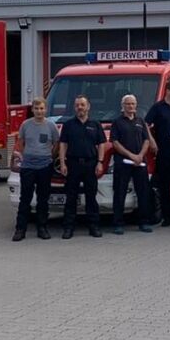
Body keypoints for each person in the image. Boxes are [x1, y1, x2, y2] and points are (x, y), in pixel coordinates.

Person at [58, 95, 108, 239]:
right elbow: (63, 145)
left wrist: (100, 162)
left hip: (90, 164)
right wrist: (62, 163)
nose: (80, 107)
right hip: (73, 164)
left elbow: (101, 144)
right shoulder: (68, 125)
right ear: (75, 107)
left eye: (82, 105)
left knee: (91, 197)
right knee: (71, 197)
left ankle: (94, 226)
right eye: (77, 105)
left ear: (88, 107)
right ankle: (68, 228)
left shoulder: (95, 124)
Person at [13, 97, 59, 241]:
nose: (39, 111)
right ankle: (20, 230)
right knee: (25, 199)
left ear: (46, 110)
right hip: (28, 167)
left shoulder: (51, 126)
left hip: (45, 166)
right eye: (36, 108)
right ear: (32, 110)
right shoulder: (25, 125)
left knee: (43, 199)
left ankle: (42, 228)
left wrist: (50, 156)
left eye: (42, 108)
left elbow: (56, 143)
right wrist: (19, 155)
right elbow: (20, 142)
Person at [110, 94, 154, 235]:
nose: (131, 106)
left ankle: (144, 222)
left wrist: (140, 155)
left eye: (133, 104)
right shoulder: (117, 123)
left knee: (143, 193)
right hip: (123, 163)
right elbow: (115, 143)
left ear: (136, 105)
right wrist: (131, 156)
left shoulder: (140, 121)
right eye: (128, 104)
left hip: (140, 162)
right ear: (122, 106)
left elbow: (146, 140)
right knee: (120, 193)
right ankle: (118, 223)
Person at [145, 80, 170, 227]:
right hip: (164, 152)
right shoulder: (158, 107)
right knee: (164, 185)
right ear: (168, 91)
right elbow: (146, 124)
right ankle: (167, 217)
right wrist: (152, 141)